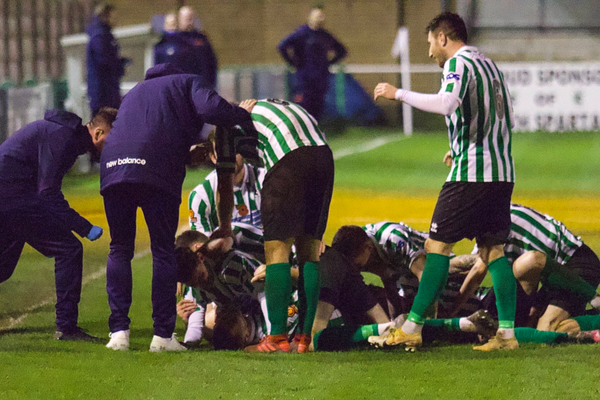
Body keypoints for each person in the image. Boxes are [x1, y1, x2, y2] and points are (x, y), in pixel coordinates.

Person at [373, 12, 517, 351]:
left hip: (472, 173)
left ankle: (412, 326)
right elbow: (498, 114)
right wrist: (460, 147)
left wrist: (399, 93)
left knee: (436, 247)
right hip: (501, 172)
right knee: (493, 252)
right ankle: (507, 336)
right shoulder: (489, 65)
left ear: (443, 38)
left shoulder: (459, 63)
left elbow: (447, 103)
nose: (429, 54)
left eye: (430, 45)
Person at [100, 63, 253, 352]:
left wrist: (183, 152)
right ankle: (162, 337)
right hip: (156, 171)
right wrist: (242, 114)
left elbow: (143, 134)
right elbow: (211, 109)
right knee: (161, 250)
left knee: (119, 248)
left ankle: (119, 333)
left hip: (113, 166)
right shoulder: (188, 79)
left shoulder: (135, 92)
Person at [0, 108, 117, 340]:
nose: (115, 146)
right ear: (99, 132)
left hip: (11, 196)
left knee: (2, 265)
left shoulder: (64, 135)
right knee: (69, 249)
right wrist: (84, 227)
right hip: (12, 197)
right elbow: (48, 193)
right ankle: (67, 327)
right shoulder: (62, 137)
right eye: (114, 139)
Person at [230, 98, 334, 353]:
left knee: (277, 250)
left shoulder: (237, 118)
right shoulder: (280, 105)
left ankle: (276, 338)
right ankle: (304, 338)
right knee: (309, 251)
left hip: (290, 161)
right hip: (324, 157)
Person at [460, 204, 600, 331]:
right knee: (532, 323)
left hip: (576, 263)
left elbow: (478, 270)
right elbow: (477, 264)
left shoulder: (495, 224)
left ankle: (595, 320)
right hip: (552, 273)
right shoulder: (496, 215)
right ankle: (587, 314)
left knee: (547, 329)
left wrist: (454, 310)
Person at [188, 131, 265, 236]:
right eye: (221, 152)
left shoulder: (264, 179)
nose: (230, 157)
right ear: (213, 158)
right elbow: (203, 246)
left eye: (234, 150)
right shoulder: (201, 196)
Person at [278, 7, 347, 120]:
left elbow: (341, 50)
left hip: (320, 78)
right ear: (310, 17)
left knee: (318, 107)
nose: (321, 19)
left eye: (322, 16)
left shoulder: (324, 35)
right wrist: (293, 63)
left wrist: (328, 63)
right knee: (304, 107)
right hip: (305, 79)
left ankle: (315, 131)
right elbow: (282, 46)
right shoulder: (302, 33)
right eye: (318, 16)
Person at [86, 3, 129, 116]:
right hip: (103, 93)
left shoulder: (105, 35)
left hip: (107, 91)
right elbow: (104, 61)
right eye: (113, 16)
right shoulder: (100, 36)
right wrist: (120, 65)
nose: (115, 20)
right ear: (105, 16)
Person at [169, 6, 218, 90]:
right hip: (181, 85)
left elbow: (211, 61)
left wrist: (210, 83)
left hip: (200, 85)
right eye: (186, 18)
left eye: (191, 18)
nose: (189, 21)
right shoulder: (173, 40)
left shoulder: (201, 39)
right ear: (179, 19)